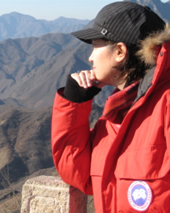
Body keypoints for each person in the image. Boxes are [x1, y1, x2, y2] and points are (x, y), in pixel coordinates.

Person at [51, 1, 170, 212]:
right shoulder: (114, 116)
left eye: (96, 45)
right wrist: (74, 102)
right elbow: (81, 176)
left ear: (120, 52)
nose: (90, 57)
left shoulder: (165, 104)